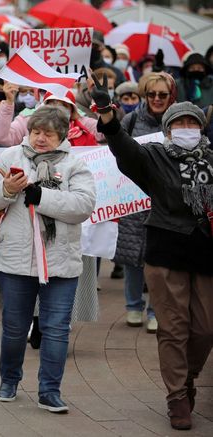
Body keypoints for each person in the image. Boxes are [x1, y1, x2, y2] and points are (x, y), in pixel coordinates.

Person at [93, 75, 213, 431]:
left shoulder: (211, 158)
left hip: (206, 251)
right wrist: (107, 115)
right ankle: (177, 396)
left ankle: (188, 377)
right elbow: (123, 147)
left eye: (192, 122)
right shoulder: (152, 155)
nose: (187, 128)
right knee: (174, 329)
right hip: (166, 249)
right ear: (168, 128)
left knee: (205, 329)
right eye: (179, 123)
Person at [0, 105, 96, 414]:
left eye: (48, 133)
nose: (41, 138)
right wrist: (5, 189)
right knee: (15, 327)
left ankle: (50, 391)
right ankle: (9, 380)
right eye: (36, 132)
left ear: (62, 134)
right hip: (15, 259)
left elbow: (83, 205)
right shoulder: (11, 157)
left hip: (61, 261)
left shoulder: (75, 164)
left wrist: (41, 198)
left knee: (56, 329)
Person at [113, 72, 177, 333]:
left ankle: (155, 310)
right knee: (132, 257)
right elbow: (116, 150)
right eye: (152, 94)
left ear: (170, 95)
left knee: (160, 259)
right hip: (132, 197)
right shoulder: (132, 119)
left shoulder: (178, 120)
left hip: (164, 200)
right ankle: (133, 306)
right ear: (144, 94)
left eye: (163, 94)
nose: (157, 99)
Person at [0, 84, 103, 147]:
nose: (57, 108)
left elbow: (104, 134)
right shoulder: (28, 120)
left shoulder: (83, 124)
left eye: (64, 105)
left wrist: (102, 104)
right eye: (52, 103)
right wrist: (8, 103)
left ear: (72, 110)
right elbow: (1, 137)